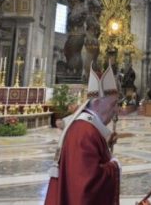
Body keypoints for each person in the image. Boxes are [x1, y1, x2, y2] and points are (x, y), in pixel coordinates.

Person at [45, 64, 121, 205]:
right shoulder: (84, 132)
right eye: (114, 104)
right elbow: (87, 183)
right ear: (98, 103)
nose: (117, 110)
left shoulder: (87, 127)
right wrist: (114, 167)